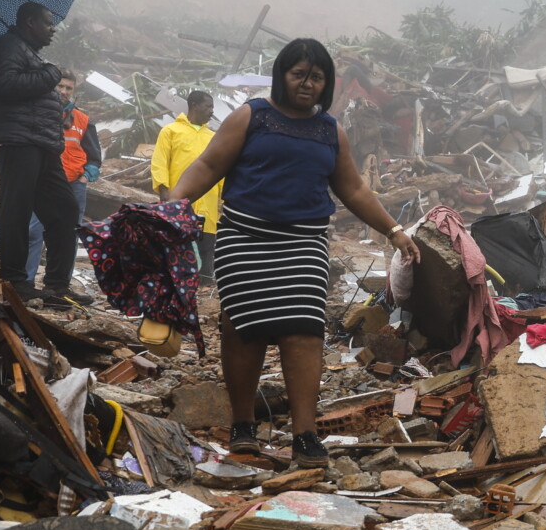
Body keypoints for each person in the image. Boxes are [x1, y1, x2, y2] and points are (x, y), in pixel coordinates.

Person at [165, 39, 418, 463]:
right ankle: (243, 425)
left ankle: (305, 434)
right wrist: (174, 206)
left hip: (303, 244)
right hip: (244, 238)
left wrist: (393, 230)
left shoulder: (329, 130)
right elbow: (209, 165)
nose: (307, 83)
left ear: (327, 83)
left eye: (316, 77)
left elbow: (353, 187)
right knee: (243, 330)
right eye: (298, 74)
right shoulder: (252, 116)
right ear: (282, 75)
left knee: (303, 331)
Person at [0, 2, 82, 304]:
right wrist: (50, 75)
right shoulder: (7, 45)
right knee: (17, 209)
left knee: (64, 210)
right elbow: (6, 84)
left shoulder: (27, 52)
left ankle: (56, 286)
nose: (53, 28)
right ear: (29, 22)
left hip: (42, 145)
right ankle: (14, 281)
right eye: (48, 22)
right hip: (19, 141)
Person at [23, 70, 102, 281]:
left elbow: (94, 158)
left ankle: (60, 285)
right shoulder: (36, 113)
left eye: (69, 88)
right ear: (52, 86)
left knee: (68, 236)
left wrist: (85, 177)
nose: (64, 91)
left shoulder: (83, 120)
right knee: (33, 233)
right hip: (44, 184)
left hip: (73, 185)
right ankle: (26, 283)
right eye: (60, 86)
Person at [150, 90, 220, 281]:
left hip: (208, 201)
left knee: (206, 250)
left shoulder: (213, 137)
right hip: (178, 201)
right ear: (194, 105)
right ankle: (177, 283)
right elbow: (160, 162)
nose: (211, 111)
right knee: (177, 246)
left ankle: (204, 290)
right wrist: (164, 192)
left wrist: (223, 198)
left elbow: (219, 168)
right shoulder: (171, 131)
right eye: (208, 106)